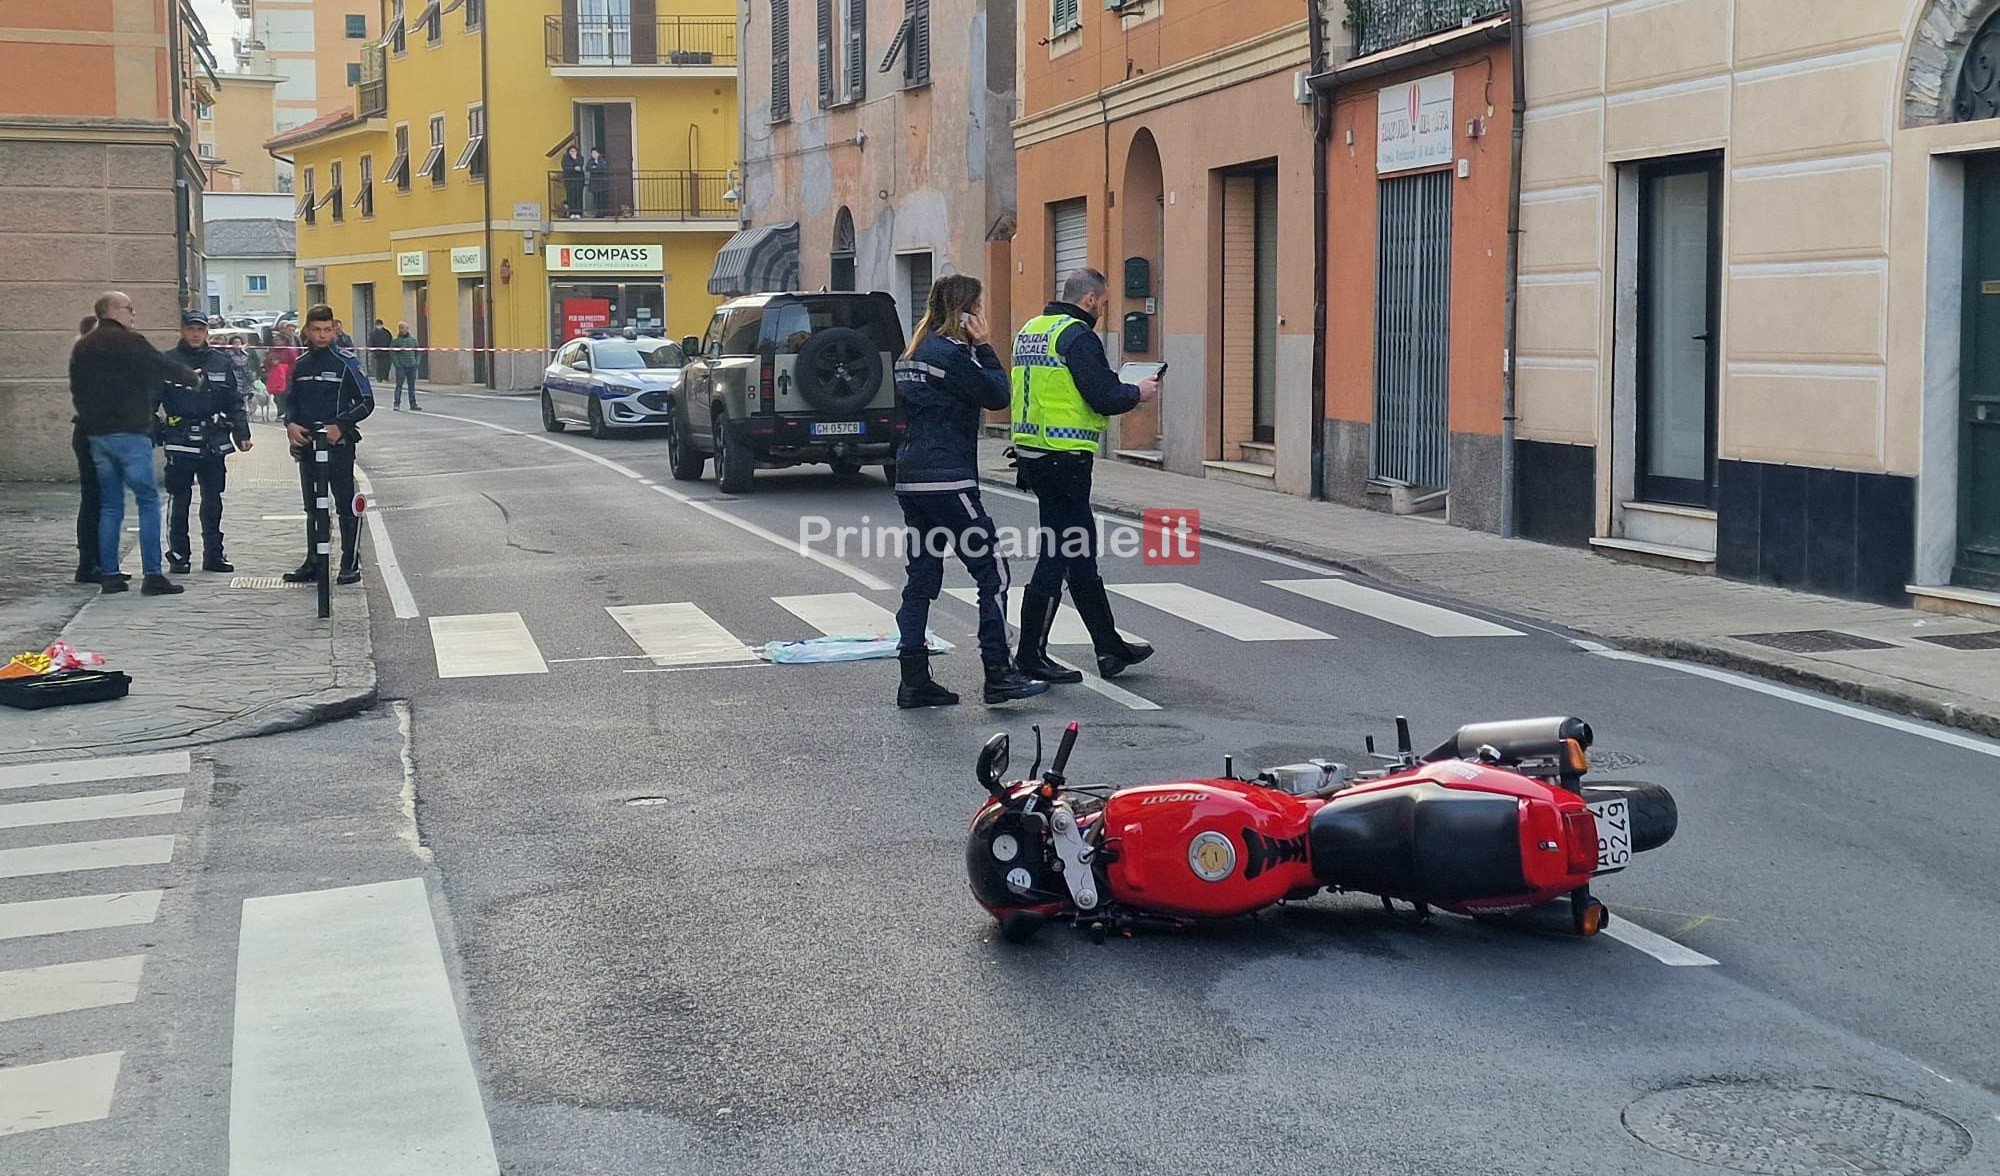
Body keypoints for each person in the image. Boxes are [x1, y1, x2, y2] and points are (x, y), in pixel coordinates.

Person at [890, 275, 1048, 709]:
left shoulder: (912, 352)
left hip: (911, 479)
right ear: (965, 311)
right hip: (948, 480)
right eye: (979, 306)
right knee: (992, 572)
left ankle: (914, 680)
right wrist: (983, 346)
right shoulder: (952, 355)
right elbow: (998, 395)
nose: (983, 313)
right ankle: (998, 673)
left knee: (921, 579)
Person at [1010, 267, 1160, 681]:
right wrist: (1138, 392)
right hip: (1064, 459)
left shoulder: (1031, 330)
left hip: (1035, 455)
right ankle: (1029, 655)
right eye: (1104, 302)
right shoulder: (1076, 336)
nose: (1103, 310)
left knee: (1077, 553)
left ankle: (1109, 647)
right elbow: (1103, 395)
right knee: (1060, 554)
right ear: (1090, 300)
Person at [69, 292, 196, 595]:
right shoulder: (130, 341)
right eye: (129, 308)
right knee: (148, 502)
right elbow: (162, 365)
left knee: (111, 506)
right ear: (113, 311)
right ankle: (153, 575)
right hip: (131, 432)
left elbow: (77, 388)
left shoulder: (83, 346)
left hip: (97, 435)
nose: (133, 314)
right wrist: (192, 378)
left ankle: (110, 574)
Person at [281, 304, 375, 586]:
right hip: (309, 445)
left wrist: (340, 425)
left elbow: (366, 402)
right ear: (307, 331)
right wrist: (290, 424)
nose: (322, 335)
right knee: (313, 506)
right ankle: (314, 561)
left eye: (327, 330)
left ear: (334, 329)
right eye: (316, 330)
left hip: (338, 445)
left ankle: (349, 562)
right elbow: (290, 401)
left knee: (344, 503)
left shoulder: (346, 363)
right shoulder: (301, 365)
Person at [161, 310, 253, 574]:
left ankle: (214, 554)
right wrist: (152, 429)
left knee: (213, 500)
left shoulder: (220, 362)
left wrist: (242, 434)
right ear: (182, 331)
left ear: (206, 333)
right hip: (181, 439)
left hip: (213, 441)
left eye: (199, 329)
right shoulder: (168, 361)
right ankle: (179, 555)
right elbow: (151, 399)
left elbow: (234, 401)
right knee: (180, 499)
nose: (195, 334)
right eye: (190, 328)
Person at [70, 314, 102, 584]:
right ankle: (89, 563)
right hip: (93, 434)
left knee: (100, 500)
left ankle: (98, 560)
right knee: (94, 499)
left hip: (95, 433)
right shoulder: (89, 361)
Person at [390, 320, 422, 410]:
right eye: (402, 328)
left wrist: (417, 362)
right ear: (399, 329)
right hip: (401, 366)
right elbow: (392, 353)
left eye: (406, 328)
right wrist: (397, 364)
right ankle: (396, 404)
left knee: (411, 386)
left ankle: (413, 403)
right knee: (399, 385)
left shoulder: (413, 340)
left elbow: (418, 351)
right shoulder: (395, 341)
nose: (404, 330)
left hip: (412, 365)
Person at [585, 147, 612, 217]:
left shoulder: (603, 160)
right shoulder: (590, 161)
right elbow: (588, 168)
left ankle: (603, 213)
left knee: (602, 199)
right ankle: (597, 213)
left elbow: (603, 169)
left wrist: (595, 167)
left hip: (602, 184)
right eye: (592, 153)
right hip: (594, 184)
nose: (593, 154)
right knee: (596, 199)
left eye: (595, 153)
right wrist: (596, 168)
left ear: (598, 153)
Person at [561, 144, 586, 218]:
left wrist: (575, 160)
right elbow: (566, 167)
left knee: (579, 196)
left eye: (574, 151)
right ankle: (572, 212)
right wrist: (574, 168)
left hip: (579, 180)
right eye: (571, 151)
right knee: (571, 196)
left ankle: (579, 213)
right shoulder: (565, 158)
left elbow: (580, 165)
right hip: (569, 180)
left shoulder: (580, 157)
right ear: (568, 152)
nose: (573, 152)